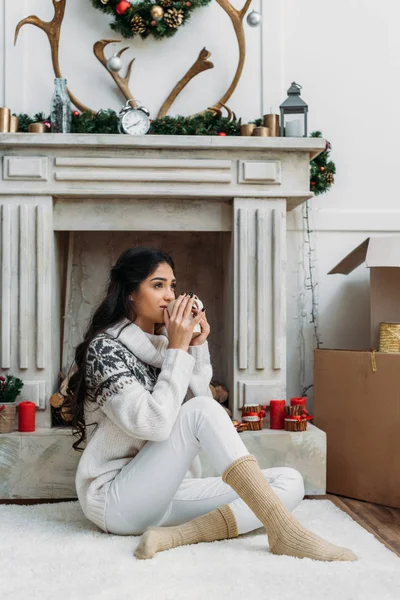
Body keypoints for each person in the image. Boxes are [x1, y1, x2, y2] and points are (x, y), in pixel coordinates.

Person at [68, 246, 357, 562]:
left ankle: (175, 536)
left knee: (289, 482)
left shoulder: (166, 346)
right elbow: (155, 423)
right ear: (130, 294)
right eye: (158, 285)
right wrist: (178, 350)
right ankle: (285, 532)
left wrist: (195, 345)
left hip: (166, 491)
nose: (170, 296)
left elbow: (203, 410)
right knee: (202, 414)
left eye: (173, 286)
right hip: (117, 501)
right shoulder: (105, 349)